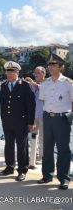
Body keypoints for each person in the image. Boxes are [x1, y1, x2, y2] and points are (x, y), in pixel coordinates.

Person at [37, 54, 73, 190]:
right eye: (50, 65)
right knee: (47, 148)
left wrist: (70, 116)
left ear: (61, 67)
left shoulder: (68, 83)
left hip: (62, 118)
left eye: (54, 65)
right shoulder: (45, 83)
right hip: (48, 117)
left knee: (63, 149)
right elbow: (44, 101)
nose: (51, 67)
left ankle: (63, 178)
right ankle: (47, 175)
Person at [0, 61, 35, 182]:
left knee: (21, 147)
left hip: (21, 121)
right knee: (8, 145)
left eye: (12, 71)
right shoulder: (4, 86)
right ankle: (9, 167)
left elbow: (31, 105)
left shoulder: (25, 85)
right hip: (7, 121)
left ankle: (22, 170)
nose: (9, 74)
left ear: (17, 72)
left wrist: (30, 122)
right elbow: (3, 105)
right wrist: (3, 119)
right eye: (8, 71)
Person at [24, 66, 46, 169]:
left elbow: (45, 92)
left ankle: (42, 158)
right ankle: (33, 156)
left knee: (42, 138)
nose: (36, 74)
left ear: (43, 73)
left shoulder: (47, 84)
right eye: (35, 73)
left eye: (38, 72)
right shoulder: (33, 86)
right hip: (33, 116)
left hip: (42, 116)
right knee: (31, 137)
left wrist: (33, 84)